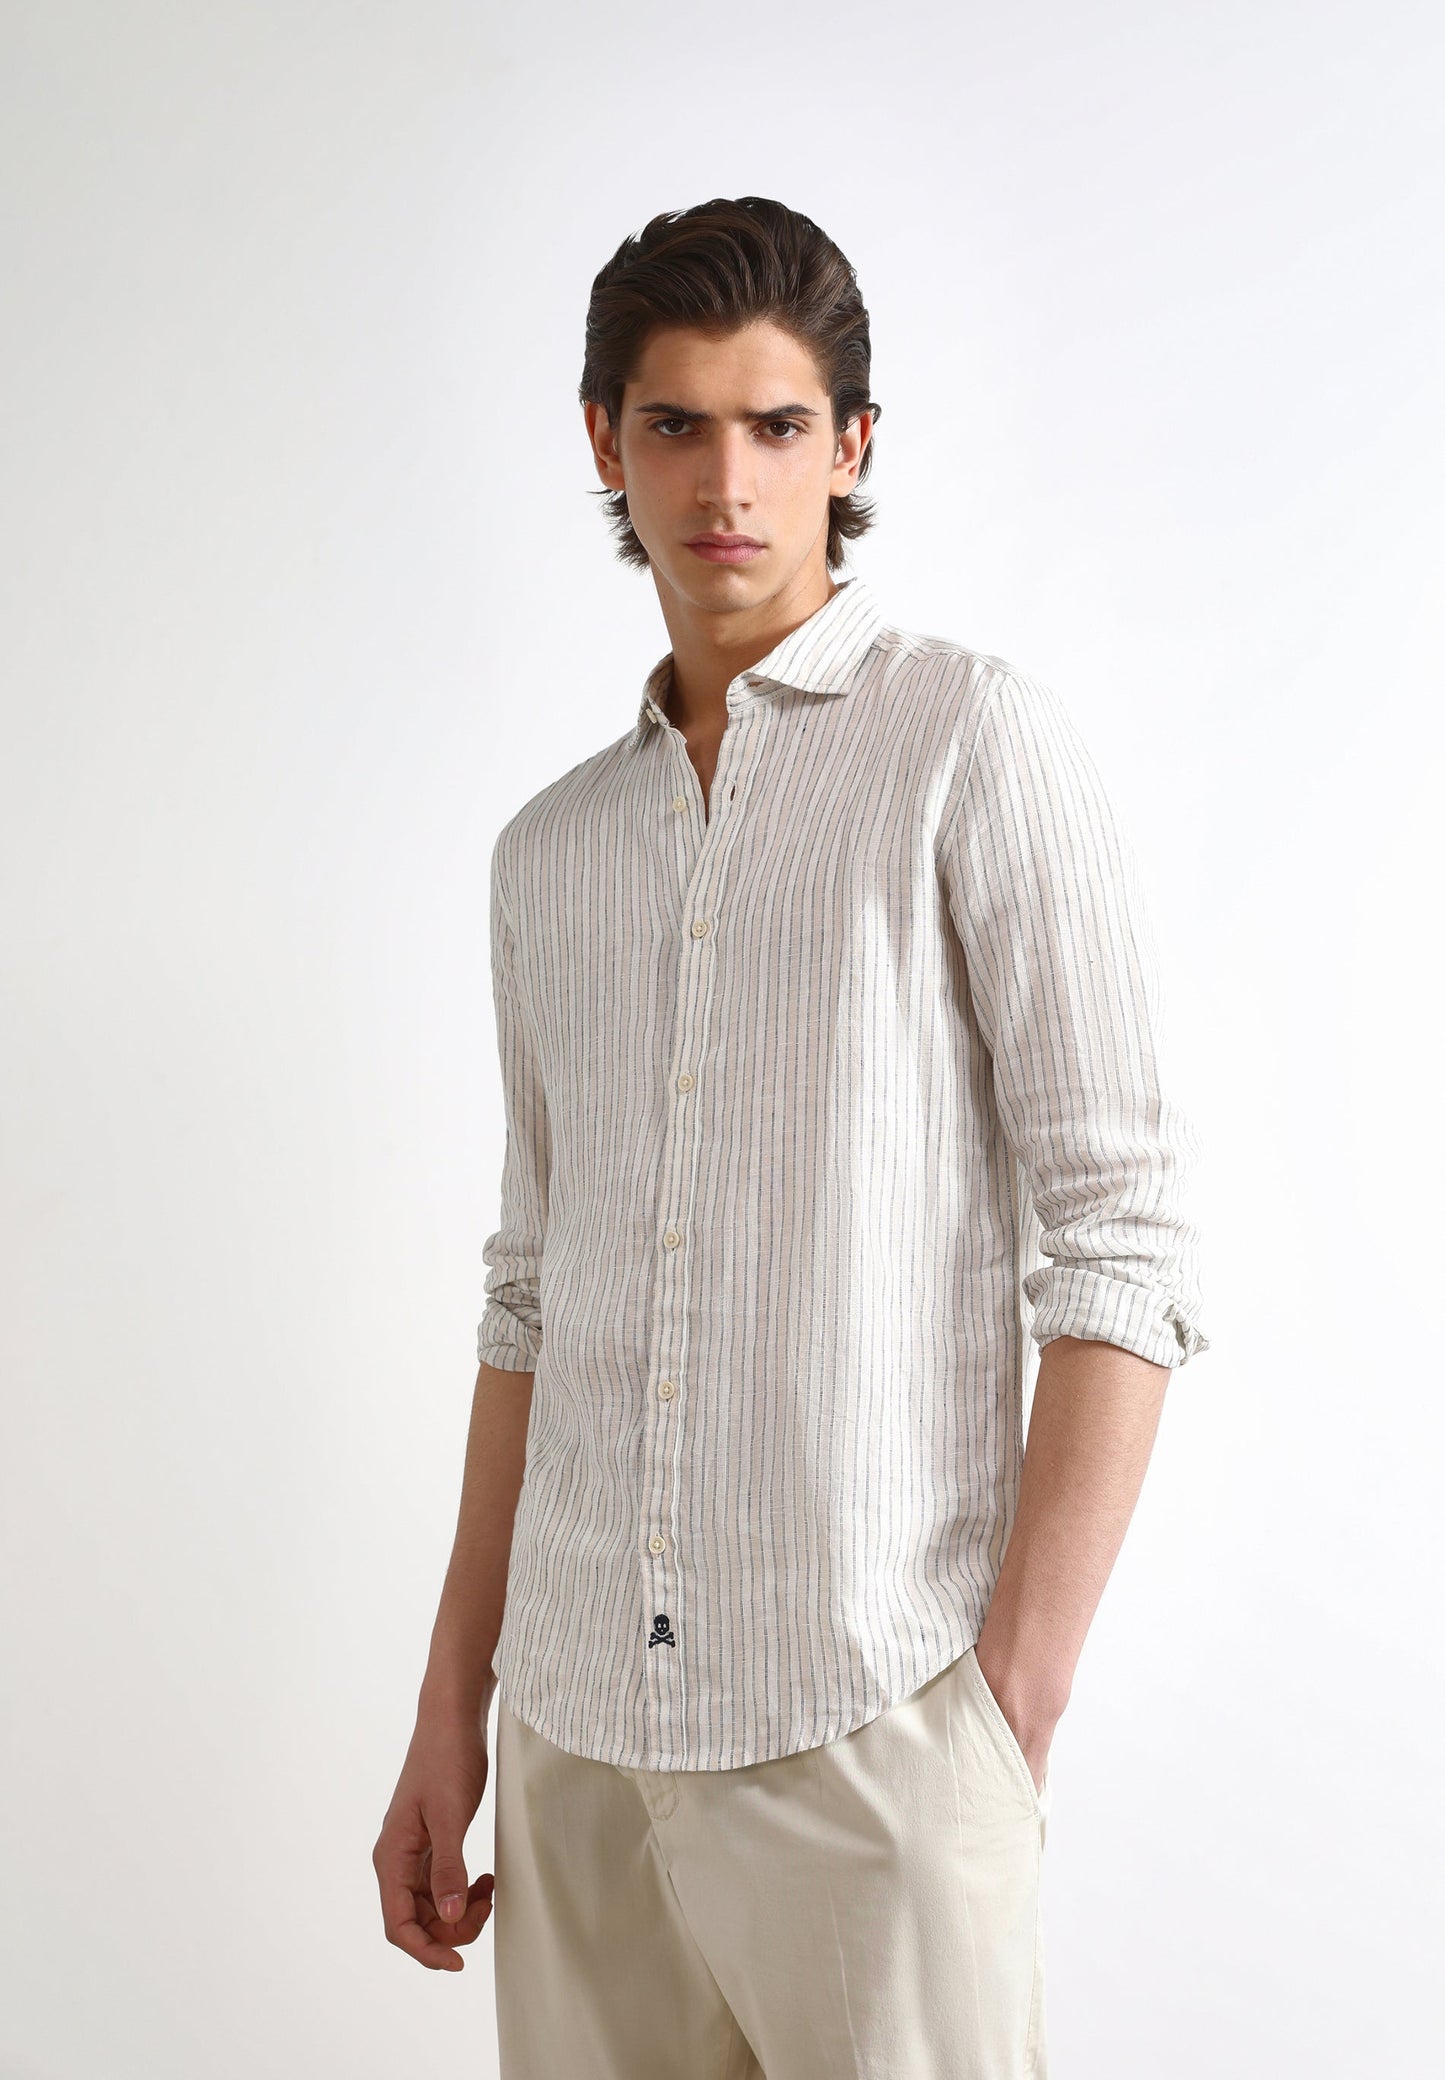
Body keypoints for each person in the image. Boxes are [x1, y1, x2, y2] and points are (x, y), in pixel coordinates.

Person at [372, 194, 1210, 2078]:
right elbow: (530, 1297)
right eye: (675, 424)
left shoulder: (970, 745)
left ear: (850, 447)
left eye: (775, 426)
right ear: (606, 441)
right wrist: (451, 1708)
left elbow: (1123, 1240)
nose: (724, 482)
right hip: (575, 1743)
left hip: (869, 1718)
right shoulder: (550, 853)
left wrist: (1004, 1702)